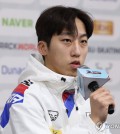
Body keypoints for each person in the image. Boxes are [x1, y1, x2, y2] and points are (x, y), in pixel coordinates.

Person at [0, 6, 115, 134]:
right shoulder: (26, 98)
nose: (77, 52)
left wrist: (96, 122)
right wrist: (93, 122)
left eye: (83, 41)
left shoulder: (87, 97)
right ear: (43, 48)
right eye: (67, 40)